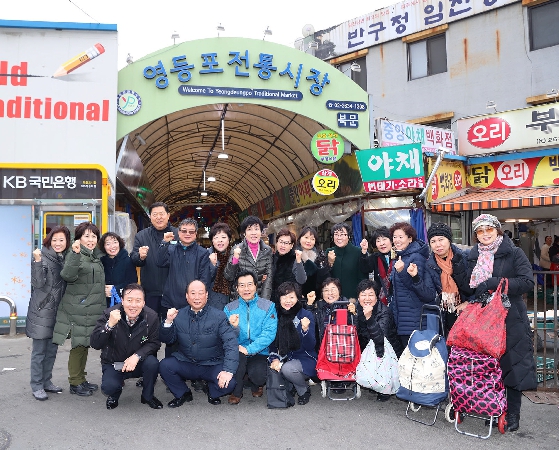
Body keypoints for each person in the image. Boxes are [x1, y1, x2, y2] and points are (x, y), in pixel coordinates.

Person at [451, 214, 537, 432]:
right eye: (480, 231)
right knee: (488, 367)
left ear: (498, 231)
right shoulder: (473, 255)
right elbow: (470, 289)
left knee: (512, 365)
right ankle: (493, 408)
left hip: (510, 318)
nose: (485, 234)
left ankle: (514, 413)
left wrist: (497, 283)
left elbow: (528, 281)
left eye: (489, 229)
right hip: (483, 319)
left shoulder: (513, 252)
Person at [159, 280, 238, 407]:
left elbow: (231, 343)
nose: (197, 297)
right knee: (164, 365)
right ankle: (183, 393)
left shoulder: (219, 316)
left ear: (207, 295)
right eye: (193, 293)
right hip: (187, 362)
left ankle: (212, 391)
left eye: (201, 293)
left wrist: (228, 371)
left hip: (211, 364)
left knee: (230, 383)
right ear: (187, 296)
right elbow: (168, 340)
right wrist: (168, 321)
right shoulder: (178, 315)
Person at [52, 221, 105, 396]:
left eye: (94, 236)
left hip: (90, 309)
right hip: (78, 309)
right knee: (78, 345)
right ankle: (75, 382)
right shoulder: (75, 254)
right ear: (79, 238)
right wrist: (74, 254)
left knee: (84, 345)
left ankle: (81, 378)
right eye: (86, 236)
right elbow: (67, 275)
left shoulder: (93, 256)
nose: (91, 239)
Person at [90, 283, 162, 410]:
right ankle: (115, 394)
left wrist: (137, 356)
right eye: (129, 300)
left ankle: (148, 396)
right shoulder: (109, 314)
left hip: (138, 362)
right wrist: (109, 325)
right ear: (122, 301)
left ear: (144, 302)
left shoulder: (152, 317)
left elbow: (154, 343)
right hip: (114, 362)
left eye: (138, 301)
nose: (133, 305)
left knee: (153, 363)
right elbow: (95, 343)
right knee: (109, 387)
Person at [26, 225, 71, 401]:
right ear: (49, 240)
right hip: (42, 311)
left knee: (52, 350)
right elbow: (37, 283)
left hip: (57, 312)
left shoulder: (63, 258)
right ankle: (36, 385)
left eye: (62, 240)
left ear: (67, 241)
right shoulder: (42, 257)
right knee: (39, 352)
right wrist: (36, 261)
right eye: (54, 240)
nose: (58, 243)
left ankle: (46, 381)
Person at [224, 270, 277, 405]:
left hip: (260, 351)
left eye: (249, 284)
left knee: (259, 375)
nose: (246, 289)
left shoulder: (268, 306)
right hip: (238, 348)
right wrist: (234, 328)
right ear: (236, 288)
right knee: (237, 363)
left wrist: (249, 349)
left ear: (256, 286)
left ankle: (256, 384)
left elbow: (269, 333)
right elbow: (225, 334)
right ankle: (237, 391)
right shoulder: (229, 308)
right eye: (241, 285)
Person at [354, 279, 403, 401]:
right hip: (366, 348)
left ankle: (385, 387)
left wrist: (369, 318)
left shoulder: (384, 311)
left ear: (377, 296)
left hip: (386, 351)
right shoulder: (356, 309)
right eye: (363, 295)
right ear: (358, 297)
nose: (367, 298)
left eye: (371, 294)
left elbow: (380, 339)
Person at [389, 222, 436, 348]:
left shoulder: (416, 257)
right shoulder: (401, 257)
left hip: (414, 321)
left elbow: (418, 288)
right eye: (394, 237)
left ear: (410, 239)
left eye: (401, 237)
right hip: (403, 320)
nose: (397, 240)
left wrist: (401, 272)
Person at [268, 282, 316, 405]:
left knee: (288, 369)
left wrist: (305, 330)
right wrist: (274, 359)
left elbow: (311, 345)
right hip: (284, 356)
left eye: (291, 297)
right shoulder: (276, 315)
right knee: (272, 367)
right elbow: (272, 342)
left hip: (304, 358)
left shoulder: (306, 314)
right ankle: (291, 384)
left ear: (298, 298)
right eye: (284, 297)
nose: (287, 301)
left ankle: (303, 390)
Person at [130, 202, 178, 318]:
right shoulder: (141, 236)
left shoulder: (177, 234)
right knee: (151, 324)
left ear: (168, 215)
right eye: (155, 214)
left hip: (173, 292)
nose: (158, 217)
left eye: (161, 214)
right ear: (150, 217)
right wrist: (140, 256)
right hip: (150, 291)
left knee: (172, 325)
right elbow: (134, 258)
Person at [423, 222, 470, 335]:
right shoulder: (430, 264)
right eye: (433, 241)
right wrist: (415, 278)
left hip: (469, 310)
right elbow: (429, 292)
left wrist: (469, 302)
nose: (438, 244)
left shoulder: (464, 257)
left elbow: (478, 285)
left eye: (441, 239)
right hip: (446, 312)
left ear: (449, 240)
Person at [156, 217, 211, 312]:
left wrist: (197, 298)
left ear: (196, 234)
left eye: (191, 231)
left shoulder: (203, 253)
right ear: (179, 232)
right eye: (184, 231)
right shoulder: (171, 249)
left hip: (193, 303)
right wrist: (164, 243)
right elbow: (160, 262)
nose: (187, 234)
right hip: (171, 302)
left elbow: (205, 279)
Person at [224, 215, 273, 299]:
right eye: (249, 229)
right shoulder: (236, 249)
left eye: (256, 229)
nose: (253, 233)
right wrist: (235, 259)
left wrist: (264, 302)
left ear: (261, 231)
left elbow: (269, 277)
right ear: (244, 233)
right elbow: (229, 276)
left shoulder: (267, 250)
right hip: (240, 299)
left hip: (260, 297)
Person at [305, 278, 356, 344]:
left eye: (333, 290)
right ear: (322, 294)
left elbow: (356, 329)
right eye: (326, 290)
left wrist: (353, 313)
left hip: (343, 350)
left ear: (339, 291)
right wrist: (309, 305)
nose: (330, 293)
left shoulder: (347, 306)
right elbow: (309, 325)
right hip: (323, 350)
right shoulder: (318, 308)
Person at [326, 223, 367, 300]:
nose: (339, 237)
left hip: (352, 298)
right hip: (332, 298)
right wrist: (330, 263)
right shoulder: (329, 252)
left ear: (348, 236)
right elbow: (325, 277)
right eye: (336, 234)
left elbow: (362, 278)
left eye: (342, 234)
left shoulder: (358, 252)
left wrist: (360, 296)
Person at [99, 232, 138, 308]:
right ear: (103, 247)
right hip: (103, 303)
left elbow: (132, 283)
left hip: (122, 302)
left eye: (115, 242)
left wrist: (115, 289)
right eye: (108, 244)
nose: (112, 246)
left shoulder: (128, 261)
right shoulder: (101, 262)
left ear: (119, 244)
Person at [270, 228, 306, 305]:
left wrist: (299, 261)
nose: (283, 245)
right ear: (276, 242)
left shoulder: (295, 259)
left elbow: (302, 280)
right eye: (281, 242)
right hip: (273, 301)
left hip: (290, 302)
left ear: (292, 245)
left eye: (286, 243)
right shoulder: (271, 258)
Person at [359, 226, 394, 305]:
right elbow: (364, 269)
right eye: (378, 241)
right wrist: (364, 251)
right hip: (381, 299)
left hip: (398, 298)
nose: (382, 243)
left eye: (384, 239)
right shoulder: (375, 257)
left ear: (391, 240)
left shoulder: (399, 255)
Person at [296, 226, 330, 297]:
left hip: (317, 298)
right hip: (296, 297)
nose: (309, 241)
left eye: (312, 239)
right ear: (300, 238)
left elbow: (324, 278)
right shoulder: (294, 254)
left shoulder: (320, 256)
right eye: (306, 237)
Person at [207, 222, 233, 310]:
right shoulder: (205, 255)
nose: (220, 240)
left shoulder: (235, 255)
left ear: (229, 239)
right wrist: (212, 265)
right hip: (212, 302)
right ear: (212, 240)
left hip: (233, 300)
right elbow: (203, 280)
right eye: (216, 237)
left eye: (223, 237)